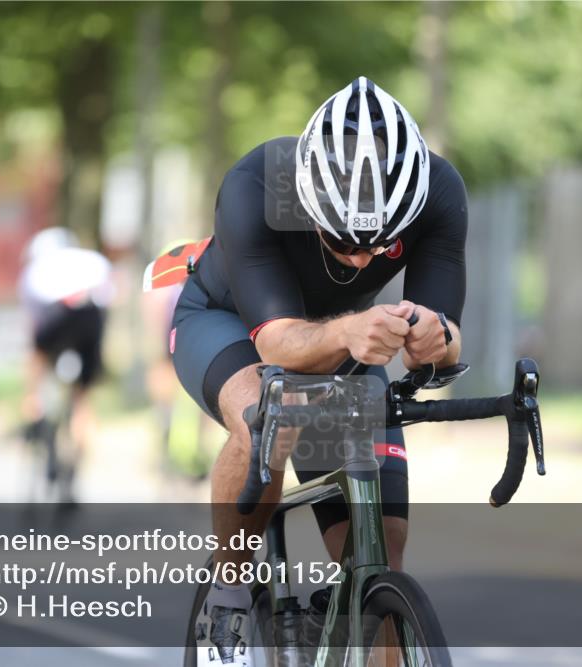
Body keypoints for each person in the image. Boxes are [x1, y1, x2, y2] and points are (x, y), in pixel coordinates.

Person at [172, 77, 467, 665]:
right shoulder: (255, 185)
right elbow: (279, 344)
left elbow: (446, 343)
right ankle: (230, 591)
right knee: (265, 415)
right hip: (228, 323)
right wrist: (348, 331)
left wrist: (436, 340)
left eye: (378, 247)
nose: (360, 258)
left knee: (379, 557)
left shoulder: (437, 192)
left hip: (348, 339)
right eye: (341, 241)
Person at [18, 227, 114, 502]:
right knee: (82, 403)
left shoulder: (36, 271)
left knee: (37, 356)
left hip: (55, 317)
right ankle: (72, 475)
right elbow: (109, 299)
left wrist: (32, 384)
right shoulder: (90, 262)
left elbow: (33, 326)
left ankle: (34, 405)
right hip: (91, 320)